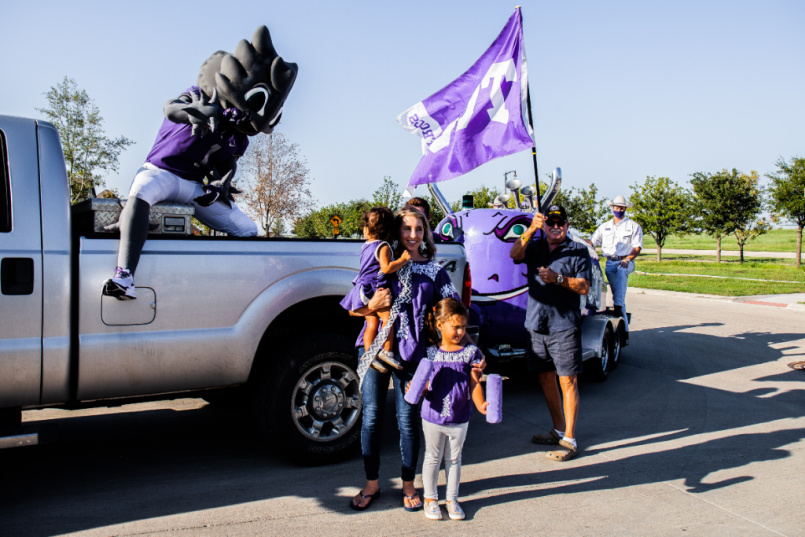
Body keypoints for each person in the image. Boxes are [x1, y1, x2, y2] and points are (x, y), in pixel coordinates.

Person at [350, 207, 462, 512]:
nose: (413, 235)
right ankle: (372, 483)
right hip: (374, 349)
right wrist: (369, 304)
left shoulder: (435, 271)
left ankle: (409, 484)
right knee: (371, 418)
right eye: (406, 229)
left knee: (408, 422)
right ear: (395, 231)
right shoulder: (380, 262)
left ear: (425, 232)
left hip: (413, 355)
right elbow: (352, 308)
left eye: (419, 229)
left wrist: (445, 358)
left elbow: (453, 314)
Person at [509, 204, 591, 462]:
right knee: (545, 378)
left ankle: (570, 439)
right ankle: (557, 429)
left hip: (564, 326)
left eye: (560, 223)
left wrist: (558, 279)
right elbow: (514, 254)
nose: (555, 227)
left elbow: (585, 287)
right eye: (550, 222)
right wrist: (530, 229)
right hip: (536, 325)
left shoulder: (578, 250)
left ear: (567, 226)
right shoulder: (535, 246)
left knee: (568, 381)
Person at [414, 297, 487, 521]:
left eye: (463, 327)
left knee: (454, 459)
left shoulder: (470, 353)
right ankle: (430, 498)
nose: (459, 331)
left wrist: (481, 404)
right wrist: (419, 388)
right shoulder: (430, 353)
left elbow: (474, 382)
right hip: (433, 416)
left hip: (460, 416)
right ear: (440, 325)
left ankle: (452, 499)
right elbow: (421, 385)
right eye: (455, 326)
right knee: (432, 458)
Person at [340, 207, 410, 372]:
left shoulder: (366, 245)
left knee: (371, 322)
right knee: (388, 320)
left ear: (368, 229)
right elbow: (386, 268)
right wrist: (402, 260)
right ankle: (386, 351)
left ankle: (368, 354)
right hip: (375, 289)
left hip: (362, 288)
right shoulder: (383, 246)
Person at [587, 195, 643, 317]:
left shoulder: (633, 226)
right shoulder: (604, 227)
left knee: (622, 271)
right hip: (610, 262)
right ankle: (623, 324)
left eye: (622, 208)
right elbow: (593, 241)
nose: (619, 210)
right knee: (617, 292)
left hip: (625, 260)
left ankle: (617, 307)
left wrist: (627, 259)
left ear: (625, 209)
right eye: (617, 208)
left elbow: (637, 247)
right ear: (612, 208)